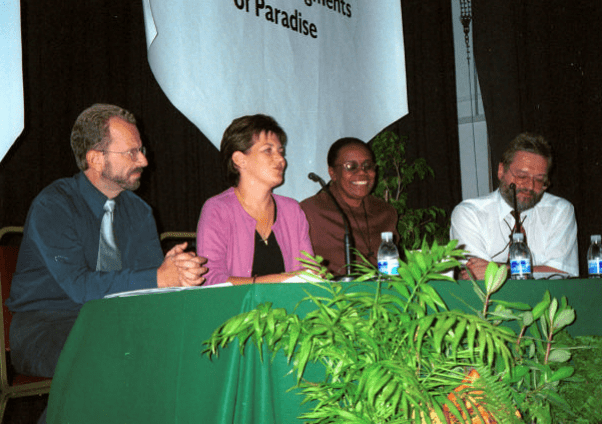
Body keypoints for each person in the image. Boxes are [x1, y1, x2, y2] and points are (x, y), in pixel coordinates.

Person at [6, 104, 207, 383]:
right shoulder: (54, 205)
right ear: (96, 159)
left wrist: (176, 275)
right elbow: (80, 286)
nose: (143, 161)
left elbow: (148, 288)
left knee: (186, 346)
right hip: (46, 324)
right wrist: (158, 276)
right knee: (112, 355)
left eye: (142, 150)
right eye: (131, 153)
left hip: (115, 322)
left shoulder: (139, 212)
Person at [196, 114, 313, 285]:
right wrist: (281, 280)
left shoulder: (292, 210)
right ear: (239, 160)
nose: (281, 159)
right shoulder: (217, 209)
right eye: (268, 150)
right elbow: (211, 280)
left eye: (281, 152)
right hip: (237, 310)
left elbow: (310, 272)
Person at [450, 132, 578, 280]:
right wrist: (537, 270)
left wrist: (500, 269)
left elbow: (562, 273)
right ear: (501, 171)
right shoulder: (469, 214)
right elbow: (474, 275)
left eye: (539, 180)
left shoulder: (559, 211)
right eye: (522, 176)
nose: (529, 186)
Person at [300, 137, 399, 275]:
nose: (362, 172)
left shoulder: (385, 212)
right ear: (332, 173)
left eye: (368, 166)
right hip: (332, 294)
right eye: (350, 166)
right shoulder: (309, 211)